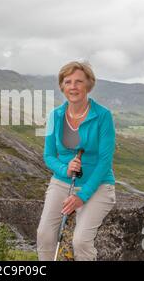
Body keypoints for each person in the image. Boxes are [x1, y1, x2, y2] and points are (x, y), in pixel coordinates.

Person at [37, 61, 116, 261]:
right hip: (62, 182)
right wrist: (65, 169)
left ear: (88, 85)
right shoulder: (54, 116)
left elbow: (105, 161)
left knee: (81, 241)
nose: (73, 86)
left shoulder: (103, 116)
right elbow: (48, 156)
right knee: (44, 235)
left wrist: (82, 196)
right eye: (68, 81)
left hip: (98, 185)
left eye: (79, 81)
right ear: (62, 86)